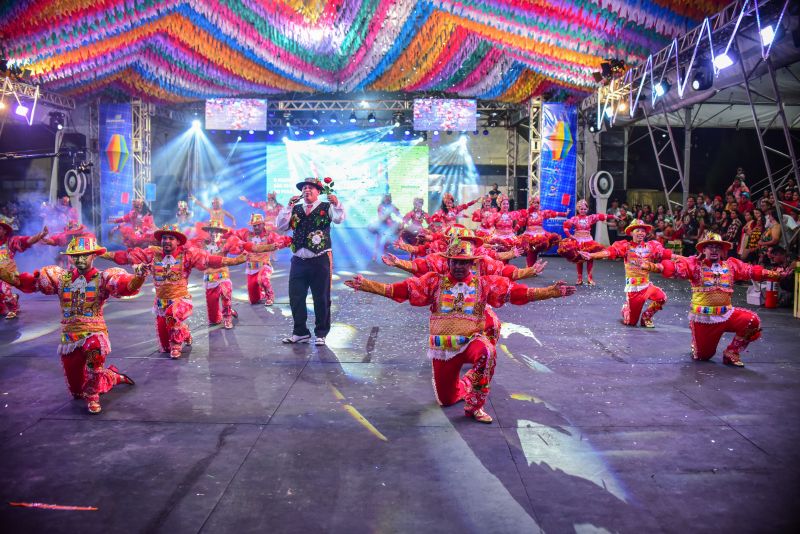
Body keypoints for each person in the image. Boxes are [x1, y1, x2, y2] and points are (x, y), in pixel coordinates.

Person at [345, 235, 576, 423]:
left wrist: (550, 291)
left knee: (487, 351)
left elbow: (514, 292)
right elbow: (403, 290)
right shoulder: (434, 282)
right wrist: (367, 285)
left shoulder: (483, 283)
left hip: (471, 341)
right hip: (443, 348)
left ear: (472, 263)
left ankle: (475, 405)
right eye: (455, 261)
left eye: (464, 262)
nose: (459, 266)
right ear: (448, 262)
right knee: (446, 400)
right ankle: (467, 383)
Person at [0, 235, 145, 414]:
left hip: (94, 332)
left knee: (94, 355)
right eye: (76, 256)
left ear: (93, 256)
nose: (80, 259)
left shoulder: (103, 278)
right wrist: (4, 274)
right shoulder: (61, 278)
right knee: (77, 392)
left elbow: (124, 286)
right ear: (71, 257)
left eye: (85, 255)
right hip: (69, 337)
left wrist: (138, 277)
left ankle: (93, 395)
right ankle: (112, 377)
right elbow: (29, 282)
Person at [637, 232, 781, 367]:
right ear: (703, 250)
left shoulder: (731, 266)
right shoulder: (695, 265)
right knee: (703, 356)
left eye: (717, 247)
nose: (713, 250)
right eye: (710, 247)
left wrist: (774, 274)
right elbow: (676, 269)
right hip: (705, 319)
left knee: (752, 321)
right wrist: (652, 266)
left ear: (722, 250)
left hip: (726, 315)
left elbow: (750, 270)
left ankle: (732, 352)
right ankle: (697, 340)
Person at [103, 224, 246, 358]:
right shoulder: (152, 254)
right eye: (164, 238)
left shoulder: (187, 255)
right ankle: (184, 332)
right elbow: (127, 257)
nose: (167, 241)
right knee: (164, 348)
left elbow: (209, 260)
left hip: (180, 300)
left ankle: (177, 344)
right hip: (160, 303)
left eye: (171, 238)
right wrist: (101, 253)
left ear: (178, 241)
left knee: (173, 315)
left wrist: (234, 261)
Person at [275, 177, 345, 346]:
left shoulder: (326, 207)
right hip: (299, 260)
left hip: (319, 259)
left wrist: (337, 204)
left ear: (318, 192)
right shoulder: (296, 209)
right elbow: (281, 226)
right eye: (304, 188)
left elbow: (339, 219)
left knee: (321, 297)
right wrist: (288, 207)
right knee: (296, 296)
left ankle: (321, 333)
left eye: (310, 188)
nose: (306, 190)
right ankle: (300, 332)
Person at [580, 220, 671, 327]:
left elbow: (667, 255)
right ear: (631, 233)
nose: (640, 233)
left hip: (646, 286)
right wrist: (592, 256)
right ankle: (625, 308)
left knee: (662, 298)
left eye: (642, 231)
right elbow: (609, 252)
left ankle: (646, 316)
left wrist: (687, 260)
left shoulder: (651, 246)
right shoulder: (626, 246)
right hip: (634, 289)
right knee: (631, 323)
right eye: (637, 230)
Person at [234, 213, 291, 306]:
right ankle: (262, 293)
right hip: (251, 269)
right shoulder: (247, 235)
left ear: (263, 224)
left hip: (264, 266)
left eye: (258, 225)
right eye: (254, 225)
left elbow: (280, 240)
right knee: (253, 300)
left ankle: (270, 296)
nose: (256, 227)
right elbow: (233, 234)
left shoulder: (269, 235)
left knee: (263, 278)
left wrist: (287, 242)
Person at [0, 216, 48, 319]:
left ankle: (14, 308)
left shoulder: (10, 241)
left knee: (2, 288)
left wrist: (40, 235)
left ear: (4, 231)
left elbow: (27, 241)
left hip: (7, 275)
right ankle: (12, 299)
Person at [558, 199, 615, 285]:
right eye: (581, 209)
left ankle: (590, 278)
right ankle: (579, 278)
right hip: (578, 241)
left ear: (587, 210)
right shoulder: (575, 218)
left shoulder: (590, 218)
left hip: (589, 241)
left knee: (590, 258)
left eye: (585, 209)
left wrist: (613, 217)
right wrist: (570, 236)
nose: (583, 211)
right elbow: (565, 226)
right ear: (578, 209)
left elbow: (601, 216)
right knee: (579, 259)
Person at [519, 194, 567, 267]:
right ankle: (529, 267)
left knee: (535, 251)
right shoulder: (527, 213)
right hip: (529, 235)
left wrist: (563, 214)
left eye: (538, 203)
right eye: (534, 203)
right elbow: (521, 223)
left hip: (540, 235)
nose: (536, 204)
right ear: (531, 204)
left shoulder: (542, 213)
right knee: (531, 251)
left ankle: (531, 268)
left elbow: (552, 213)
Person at [370, 194, 401, 261]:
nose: (387, 199)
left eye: (388, 198)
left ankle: (384, 256)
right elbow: (381, 216)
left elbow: (398, 214)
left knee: (387, 242)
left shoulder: (391, 206)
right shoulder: (380, 206)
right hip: (381, 225)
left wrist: (398, 217)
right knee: (378, 241)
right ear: (383, 198)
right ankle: (374, 256)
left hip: (389, 225)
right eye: (386, 198)